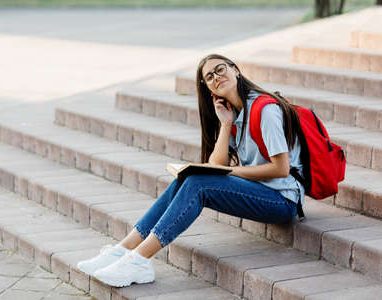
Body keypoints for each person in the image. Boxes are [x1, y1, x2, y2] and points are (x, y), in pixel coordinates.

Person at [76, 54, 304, 287]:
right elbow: (216, 166)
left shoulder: (265, 110)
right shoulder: (236, 113)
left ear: (236, 70)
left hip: (282, 200)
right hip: (258, 190)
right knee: (187, 179)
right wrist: (225, 125)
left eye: (220, 69)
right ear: (208, 88)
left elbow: (280, 168)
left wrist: (231, 173)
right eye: (210, 76)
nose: (217, 77)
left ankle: (139, 260)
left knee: (199, 184)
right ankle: (122, 250)